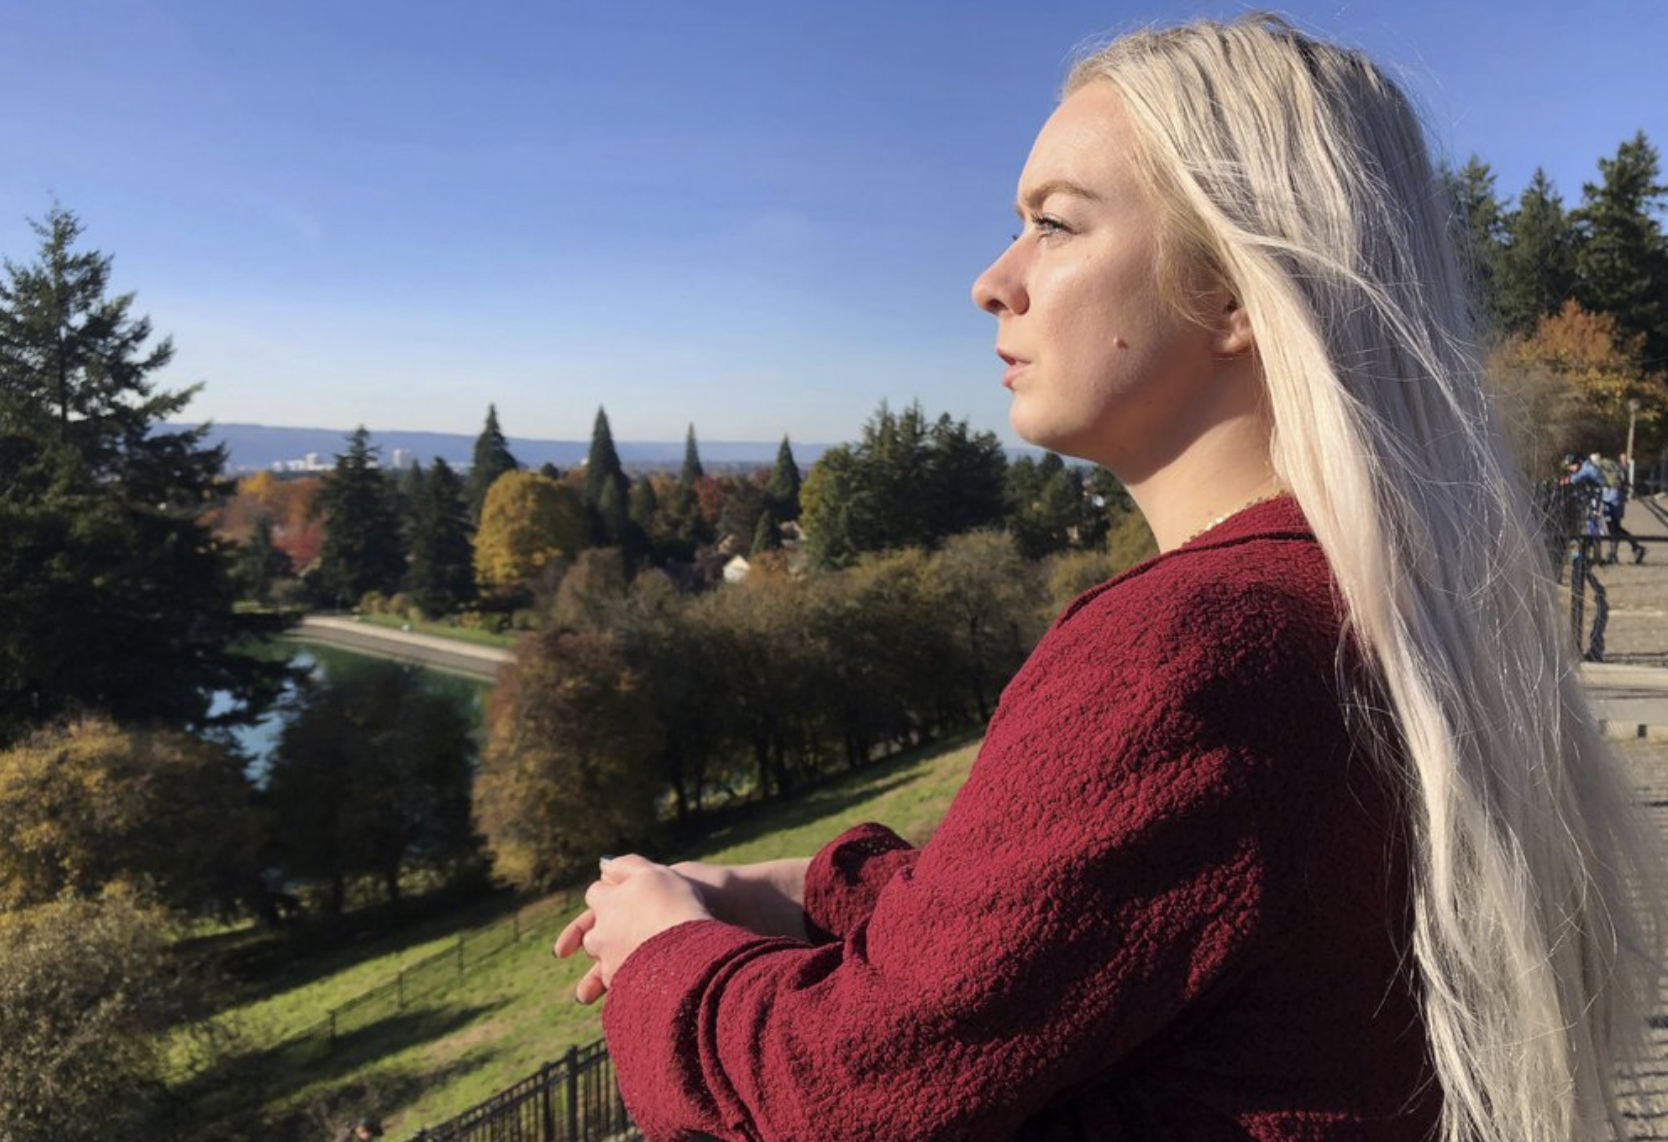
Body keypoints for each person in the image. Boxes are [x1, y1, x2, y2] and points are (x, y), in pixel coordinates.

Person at [556, 16, 1662, 1142]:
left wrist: (666, 955)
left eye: (1053, 224)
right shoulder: (1373, 606)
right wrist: (810, 887)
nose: (994, 281)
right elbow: (1070, 923)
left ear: (1236, 288)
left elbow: (840, 1092)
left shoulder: (1193, 647)